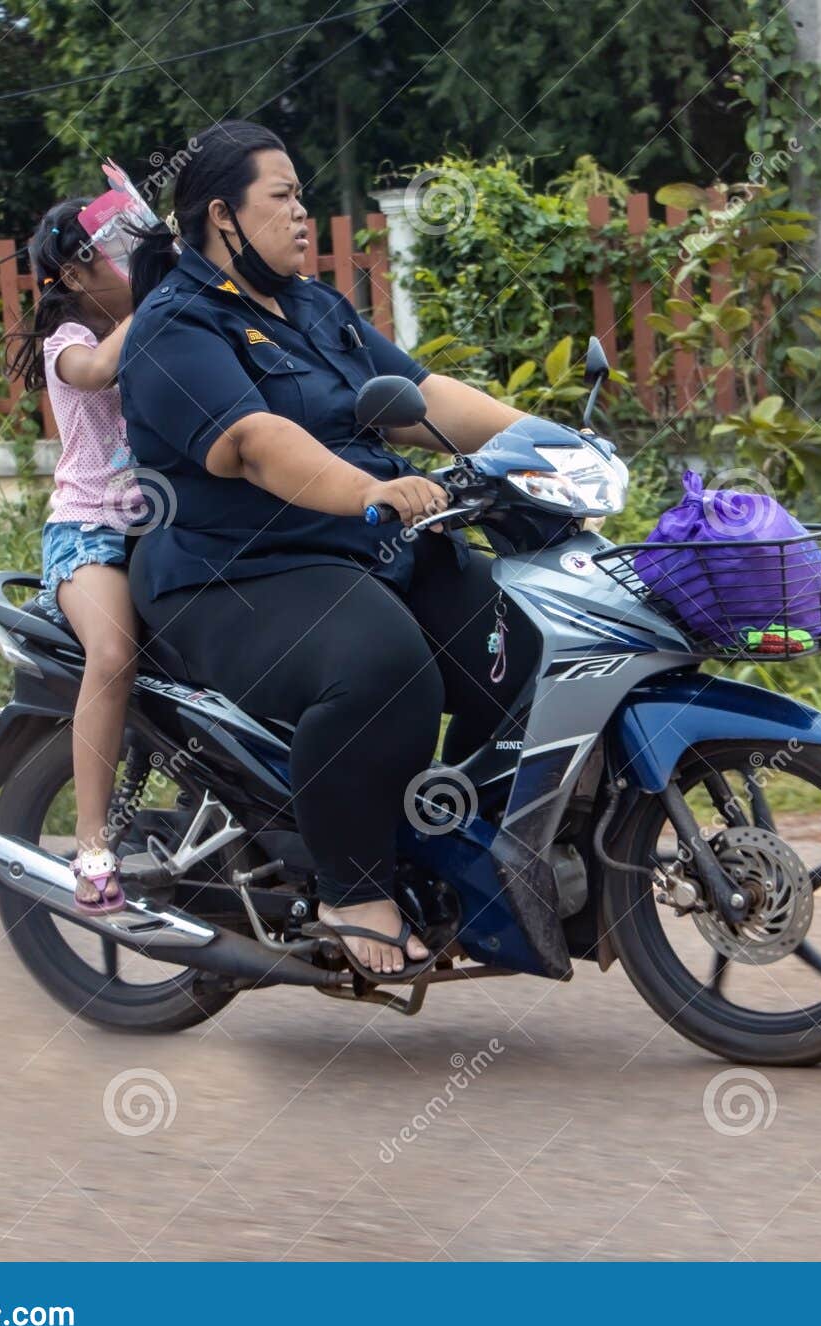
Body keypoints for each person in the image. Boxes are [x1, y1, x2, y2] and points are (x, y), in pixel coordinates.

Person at [120, 120, 531, 979]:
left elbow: (424, 397)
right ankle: (351, 889)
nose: (304, 215)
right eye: (283, 197)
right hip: (234, 572)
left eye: (302, 197)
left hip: (361, 549)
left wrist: (549, 443)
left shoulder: (314, 308)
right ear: (223, 218)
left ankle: (447, 845)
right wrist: (371, 490)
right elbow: (256, 443)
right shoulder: (174, 326)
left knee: (520, 632)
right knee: (383, 668)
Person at [7, 197, 139, 912]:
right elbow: (97, 372)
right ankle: (91, 846)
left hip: (165, 535)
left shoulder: (155, 318)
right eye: (118, 251)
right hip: (89, 533)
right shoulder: (67, 345)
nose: (130, 263)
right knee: (113, 654)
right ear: (77, 272)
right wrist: (158, 293)